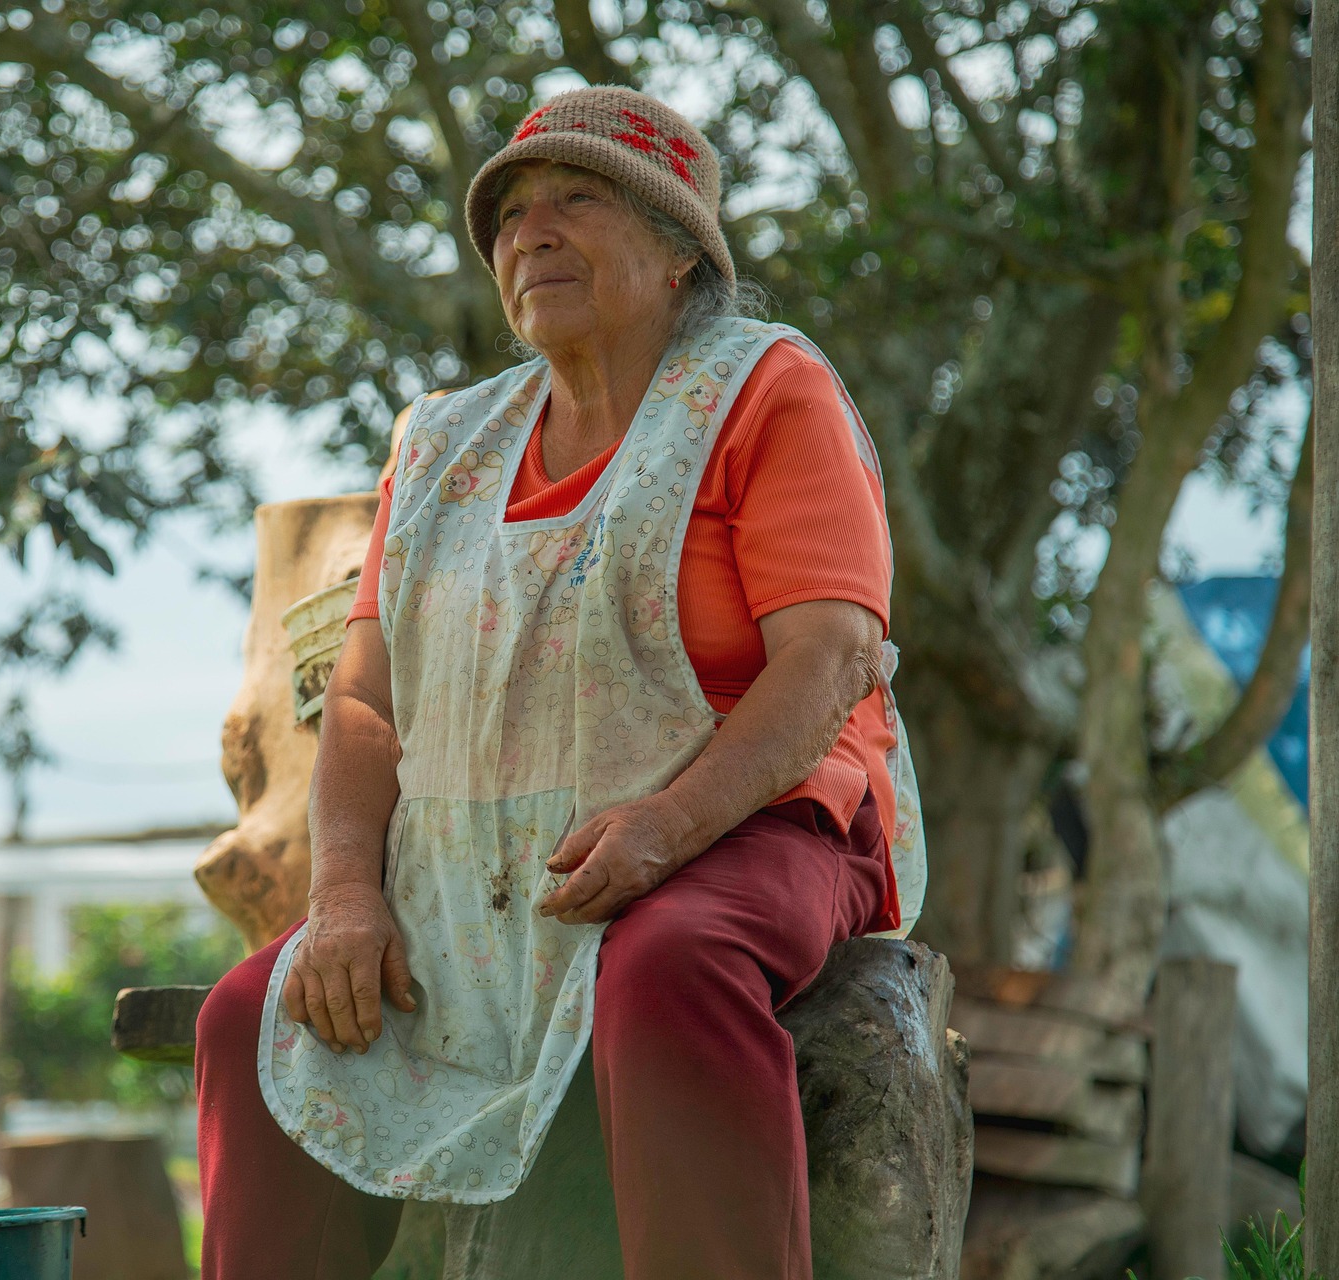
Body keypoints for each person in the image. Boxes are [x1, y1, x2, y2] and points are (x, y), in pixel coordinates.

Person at [193, 85, 927, 1280]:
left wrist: (667, 826)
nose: (531, 232)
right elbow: (368, 703)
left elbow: (829, 656)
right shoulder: (440, 445)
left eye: (579, 199)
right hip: (479, 865)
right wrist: (343, 894)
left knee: (669, 961)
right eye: (512, 214)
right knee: (252, 1019)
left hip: (758, 819)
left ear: (684, 247)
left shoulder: (765, 389)